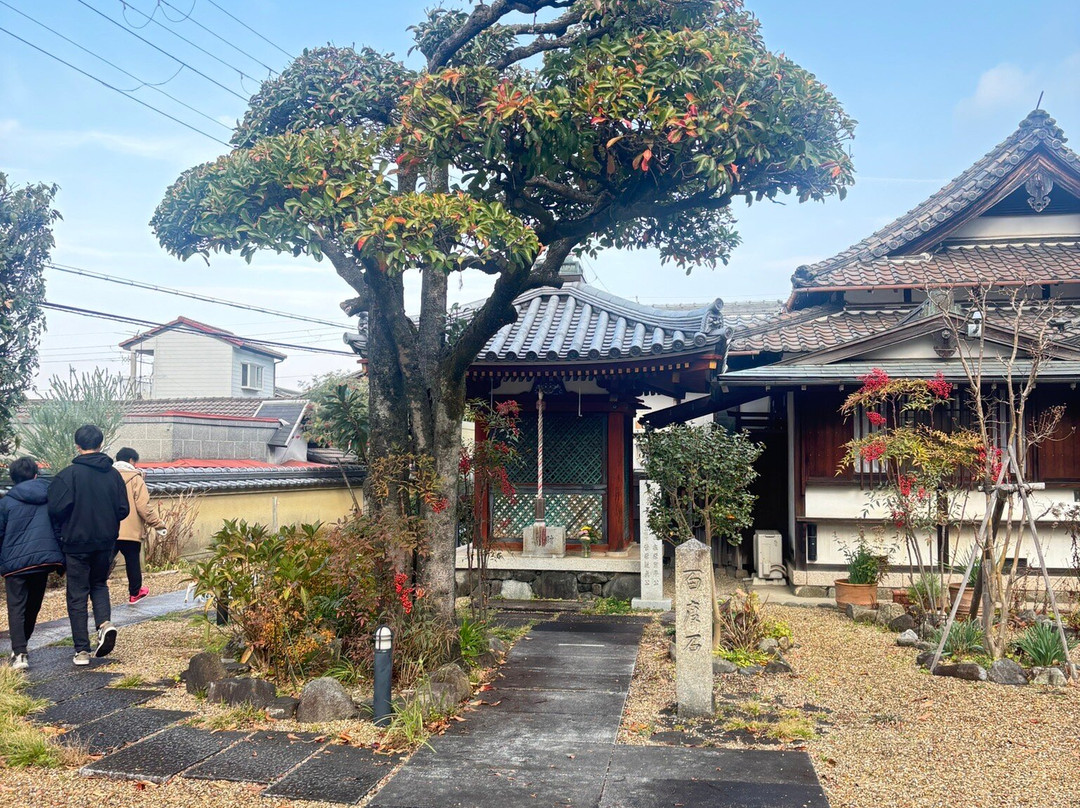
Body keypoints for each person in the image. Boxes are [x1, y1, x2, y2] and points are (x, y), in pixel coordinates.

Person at [47, 424, 129, 666]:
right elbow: (123, 509)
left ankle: (82, 650)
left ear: (77, 445)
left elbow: (55, 509)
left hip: (75, 543)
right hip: (105, 542)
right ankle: (104, 624)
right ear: (101, 445)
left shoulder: (68, 475)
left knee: (77, 595)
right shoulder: (113, 475)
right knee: (99, 584)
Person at [0, 458, 65, 671]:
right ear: (36, 475)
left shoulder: (6, 502)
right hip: (42, 561)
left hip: (14, 563)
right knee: (33, 605)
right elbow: (58, 527)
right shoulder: (49, 498)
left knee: (16, 606)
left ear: (13, 478)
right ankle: (22, 645)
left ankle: (20, 653)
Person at [113, 447, 165, 604]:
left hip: (108, 528)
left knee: (104, 562)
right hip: (130, 530)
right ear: (131, 461)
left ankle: (95, 590)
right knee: (132, 561)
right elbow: (143, 507)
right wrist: (158, 524)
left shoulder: (106, 476)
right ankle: (134, 592)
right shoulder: (136, 479)